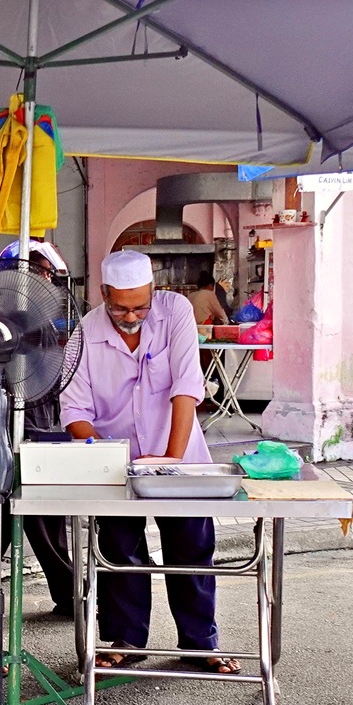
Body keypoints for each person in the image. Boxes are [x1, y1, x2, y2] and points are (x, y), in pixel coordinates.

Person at [59, 250, 229, 672]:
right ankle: (126, 639)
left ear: (154, 292)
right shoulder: (84, 334)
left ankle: (199, 643)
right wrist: (106, 454)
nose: (131, 316)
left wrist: (171, 460)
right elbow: (74, 411)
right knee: (120, 553)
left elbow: (187, 387)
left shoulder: (175, 312)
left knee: (191, 550)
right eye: (120, 307)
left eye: (140, 306)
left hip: (180, 456)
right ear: (102, 294)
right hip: (114, 460)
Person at [2, 241, 77, 613]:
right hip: (11, 423)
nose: (46, 280)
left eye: (48, 274)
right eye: (38, 272)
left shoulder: (45, 321)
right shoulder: (9, 321)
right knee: (6, 517)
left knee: (44, 517)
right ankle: (67, 594)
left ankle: (68, 594)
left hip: (43, 422)